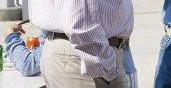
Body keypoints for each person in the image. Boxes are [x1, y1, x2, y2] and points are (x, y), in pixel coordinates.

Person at [4, 23, 138, 87]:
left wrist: (11, 37)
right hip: (123, 68)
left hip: (107, 72)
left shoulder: (60, 15)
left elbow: (29, 65)